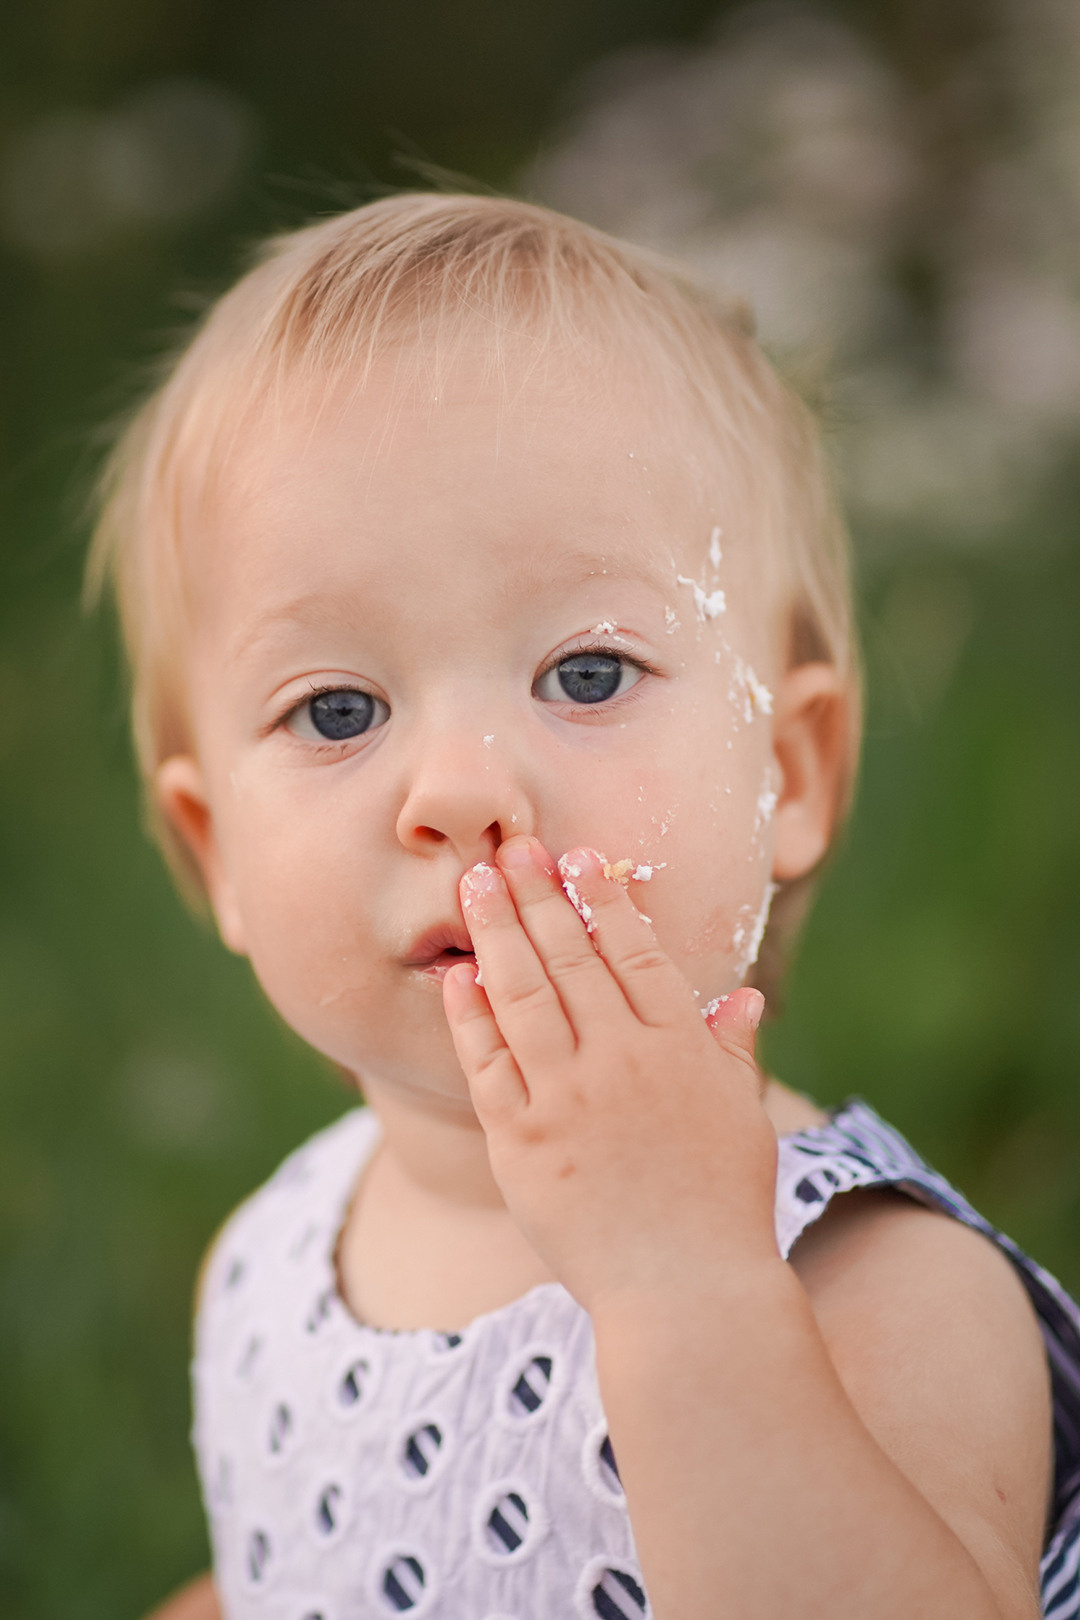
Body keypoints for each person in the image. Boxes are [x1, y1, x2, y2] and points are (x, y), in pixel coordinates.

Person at [89, 193, 1080, 1620]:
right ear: (217, 850)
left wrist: (686, 1287)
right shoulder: (268, 1256)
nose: (463, 789)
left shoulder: (873, 1290)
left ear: (787, 773)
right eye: (341, 707)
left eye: (588, 674)